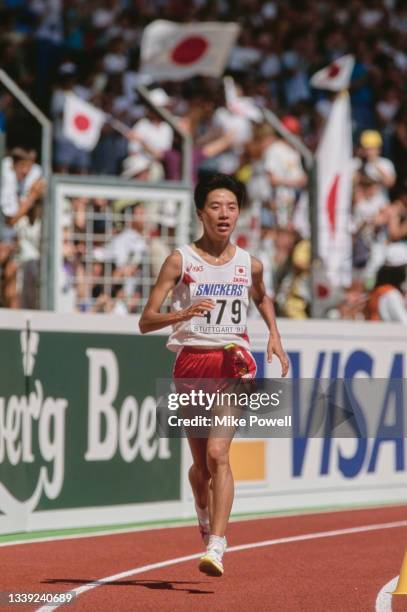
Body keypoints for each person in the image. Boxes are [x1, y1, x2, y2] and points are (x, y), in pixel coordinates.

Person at [139, 174, 288, 577]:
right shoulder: (180, 260)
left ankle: (217, 545)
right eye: (216, 207)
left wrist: (274, 335)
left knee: (219, 454)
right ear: (201, 213)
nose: (225, 215)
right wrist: (181, 314)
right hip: (190, 365)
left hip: (232, 364)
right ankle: (202, 509)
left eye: (232, 207)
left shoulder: (249, 263)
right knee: (201, 467)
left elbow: (261, 295)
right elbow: (145, 320)